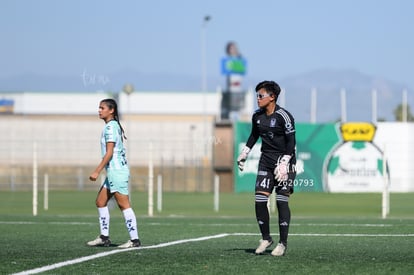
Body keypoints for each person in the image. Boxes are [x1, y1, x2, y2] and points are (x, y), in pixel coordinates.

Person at [237, 80, 296, 256]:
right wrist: (245, 152)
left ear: (272, 97)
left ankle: (282, 243)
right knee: (260, 200)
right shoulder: (257, 116)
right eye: (257, 95)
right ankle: (266, 238)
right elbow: (254, 135)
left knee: (281, 200)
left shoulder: (284, 116)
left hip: (286, 161)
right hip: (265, 161)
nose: (258, 98)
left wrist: (285, 162)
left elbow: (291, 142)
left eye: (261, 95)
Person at [87, 98, 141, 248]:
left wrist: (97, 171)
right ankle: (104, 237)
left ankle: (134, 240)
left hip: (117, 172)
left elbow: (110, 153)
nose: (99, 110)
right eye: (99, 107)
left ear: (111, 110)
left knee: (124, 205)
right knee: (100, 201)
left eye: (102, 108)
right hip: (113, 172)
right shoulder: (112, 125)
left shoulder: (110, 127)